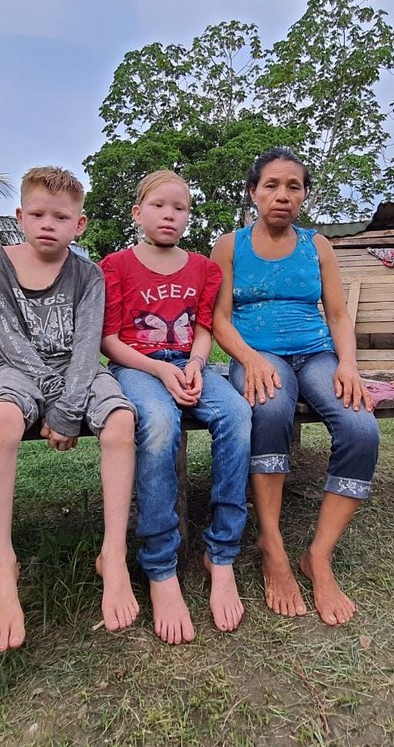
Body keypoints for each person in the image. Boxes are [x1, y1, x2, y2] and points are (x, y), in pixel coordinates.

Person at [210, 147, 380, 628]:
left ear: (304, 195)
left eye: (293, 186)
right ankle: (273, 544)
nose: (282, 195)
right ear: (253, 192)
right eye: (271, 186)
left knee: (361, 429)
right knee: (269, 410)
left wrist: (348, 364)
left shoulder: (318, 245)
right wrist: (247, 359)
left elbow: (339, 313)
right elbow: (219, 318)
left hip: (317, 352)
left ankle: (318, 556)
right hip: (257, 353)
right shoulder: (230, 246)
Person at [0, 166, 138, 653]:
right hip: (18, 368)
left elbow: (88, 345)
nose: (49, 224)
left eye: (61, 217)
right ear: (20, 216)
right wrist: (55, 400)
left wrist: (69, 404)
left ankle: (114, 552)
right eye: (38, 214)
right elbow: (9, 340)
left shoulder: (87, 273)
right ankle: (0, 563)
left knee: (121, 421)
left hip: (79, 370)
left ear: (78, 225)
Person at [100, 170, 252, 645]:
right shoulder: (116, 266)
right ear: (138, 212)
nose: (170, 215)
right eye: (159, 205)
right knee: (161, 422)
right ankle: (160, 566)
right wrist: (162, 371)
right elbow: (109, 340)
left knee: (237, 415)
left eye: (180, 207)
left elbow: (204, 326)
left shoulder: (204, 269)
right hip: (137, 367)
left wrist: (194, 363)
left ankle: (221, 553)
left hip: (192, 364)